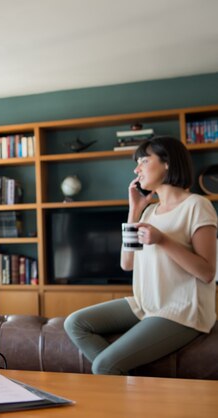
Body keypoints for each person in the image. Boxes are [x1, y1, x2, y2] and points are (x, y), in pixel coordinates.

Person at [64, 136, 217, 375]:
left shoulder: (197, 206)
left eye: (144, 161)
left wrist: (163, 240)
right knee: (75, 323)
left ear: (167, 163)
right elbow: (127, 263)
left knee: (103, 366)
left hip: (183, 310)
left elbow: (207, 272)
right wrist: (134, 210)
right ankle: (134, 383)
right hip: (147, 303)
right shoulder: (148, 212)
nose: (137, 169)